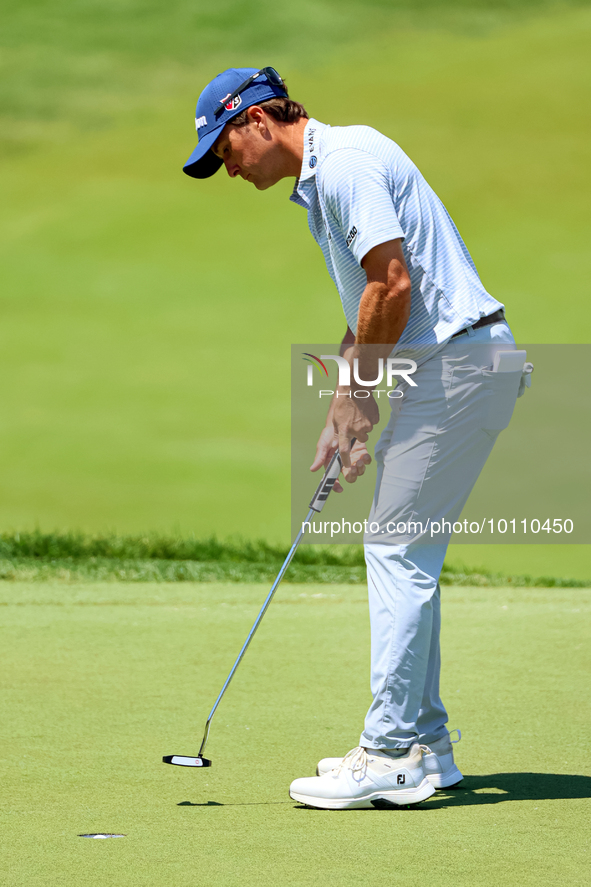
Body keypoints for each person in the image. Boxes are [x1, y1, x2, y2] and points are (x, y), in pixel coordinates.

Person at [182, 67, 527, 810]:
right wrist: (348, 398)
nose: (227, 168)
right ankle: (426, 747)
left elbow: (394, 284)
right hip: (458, 366)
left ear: (257, 123)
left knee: (395, 548)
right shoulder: (324, 180)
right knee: (405, 548)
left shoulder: (343, 165)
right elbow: (371, 300)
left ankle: (390, 749)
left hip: (462, 364)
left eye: (225, 150)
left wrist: (359, 393)